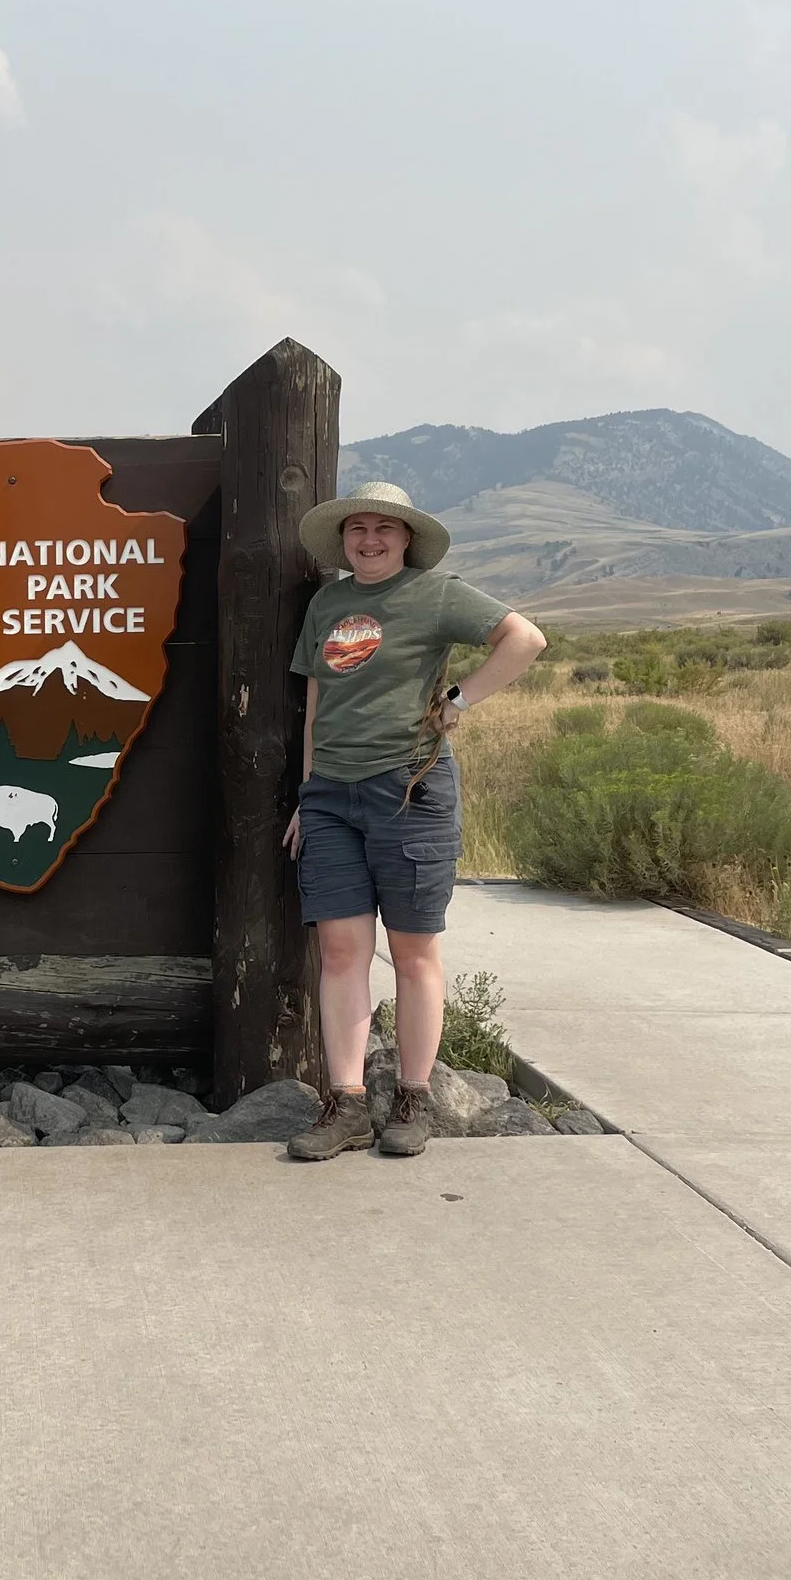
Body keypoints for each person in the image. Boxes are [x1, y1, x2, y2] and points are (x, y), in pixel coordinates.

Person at [281, 480, 547, 1160]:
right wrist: (307, 794)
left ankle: (414, 1095)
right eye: (357, 530)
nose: (370, 540)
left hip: (409, 787)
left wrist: (461, 698)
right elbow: (316, 696)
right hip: (332, 795)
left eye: (384, 530)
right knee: (340, 950)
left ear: (407, 539)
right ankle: (344, 1103)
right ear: (343, 540)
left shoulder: (437, 596)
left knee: (411, 949)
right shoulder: (328, 603)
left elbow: (525, 638)